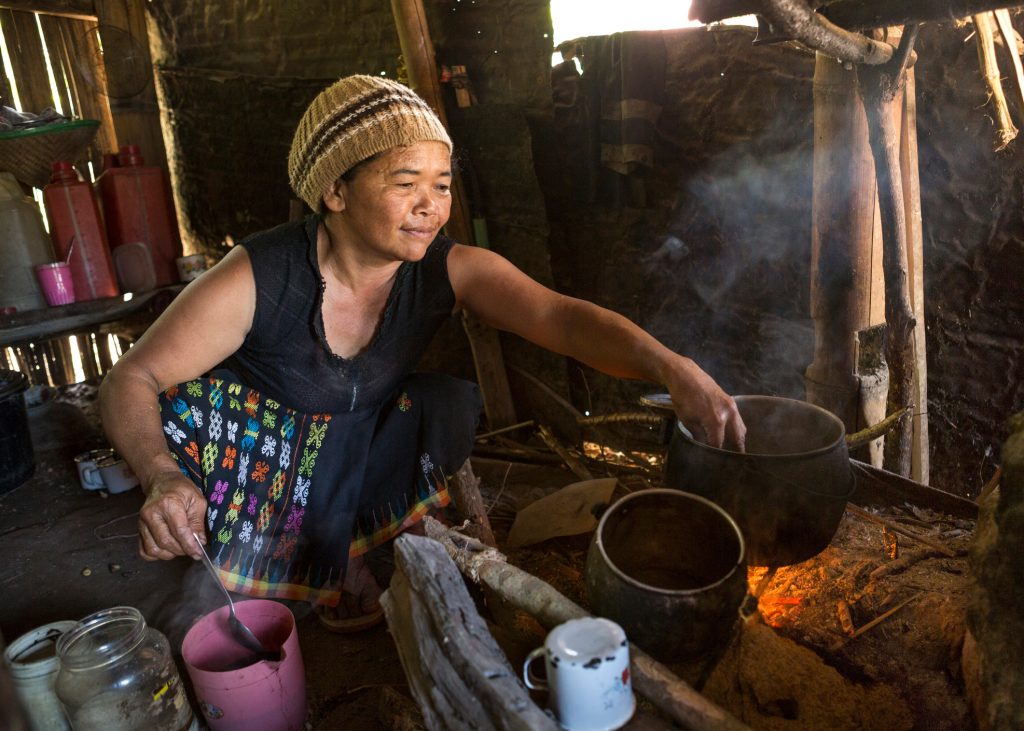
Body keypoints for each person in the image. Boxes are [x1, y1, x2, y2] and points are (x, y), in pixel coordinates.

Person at [99, 74, 745, 631]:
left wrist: (669, 365)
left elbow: (558, 317)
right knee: (201, 474)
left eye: (441, 184)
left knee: (437, 407)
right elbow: (133, 374)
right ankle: (297, 550)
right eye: (406, 182)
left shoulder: (447, 269)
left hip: (347, 433)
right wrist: (161, 473)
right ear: (335, 191)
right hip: (258, 453)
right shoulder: (260, 277)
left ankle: (342, 545)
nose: (430, 207)